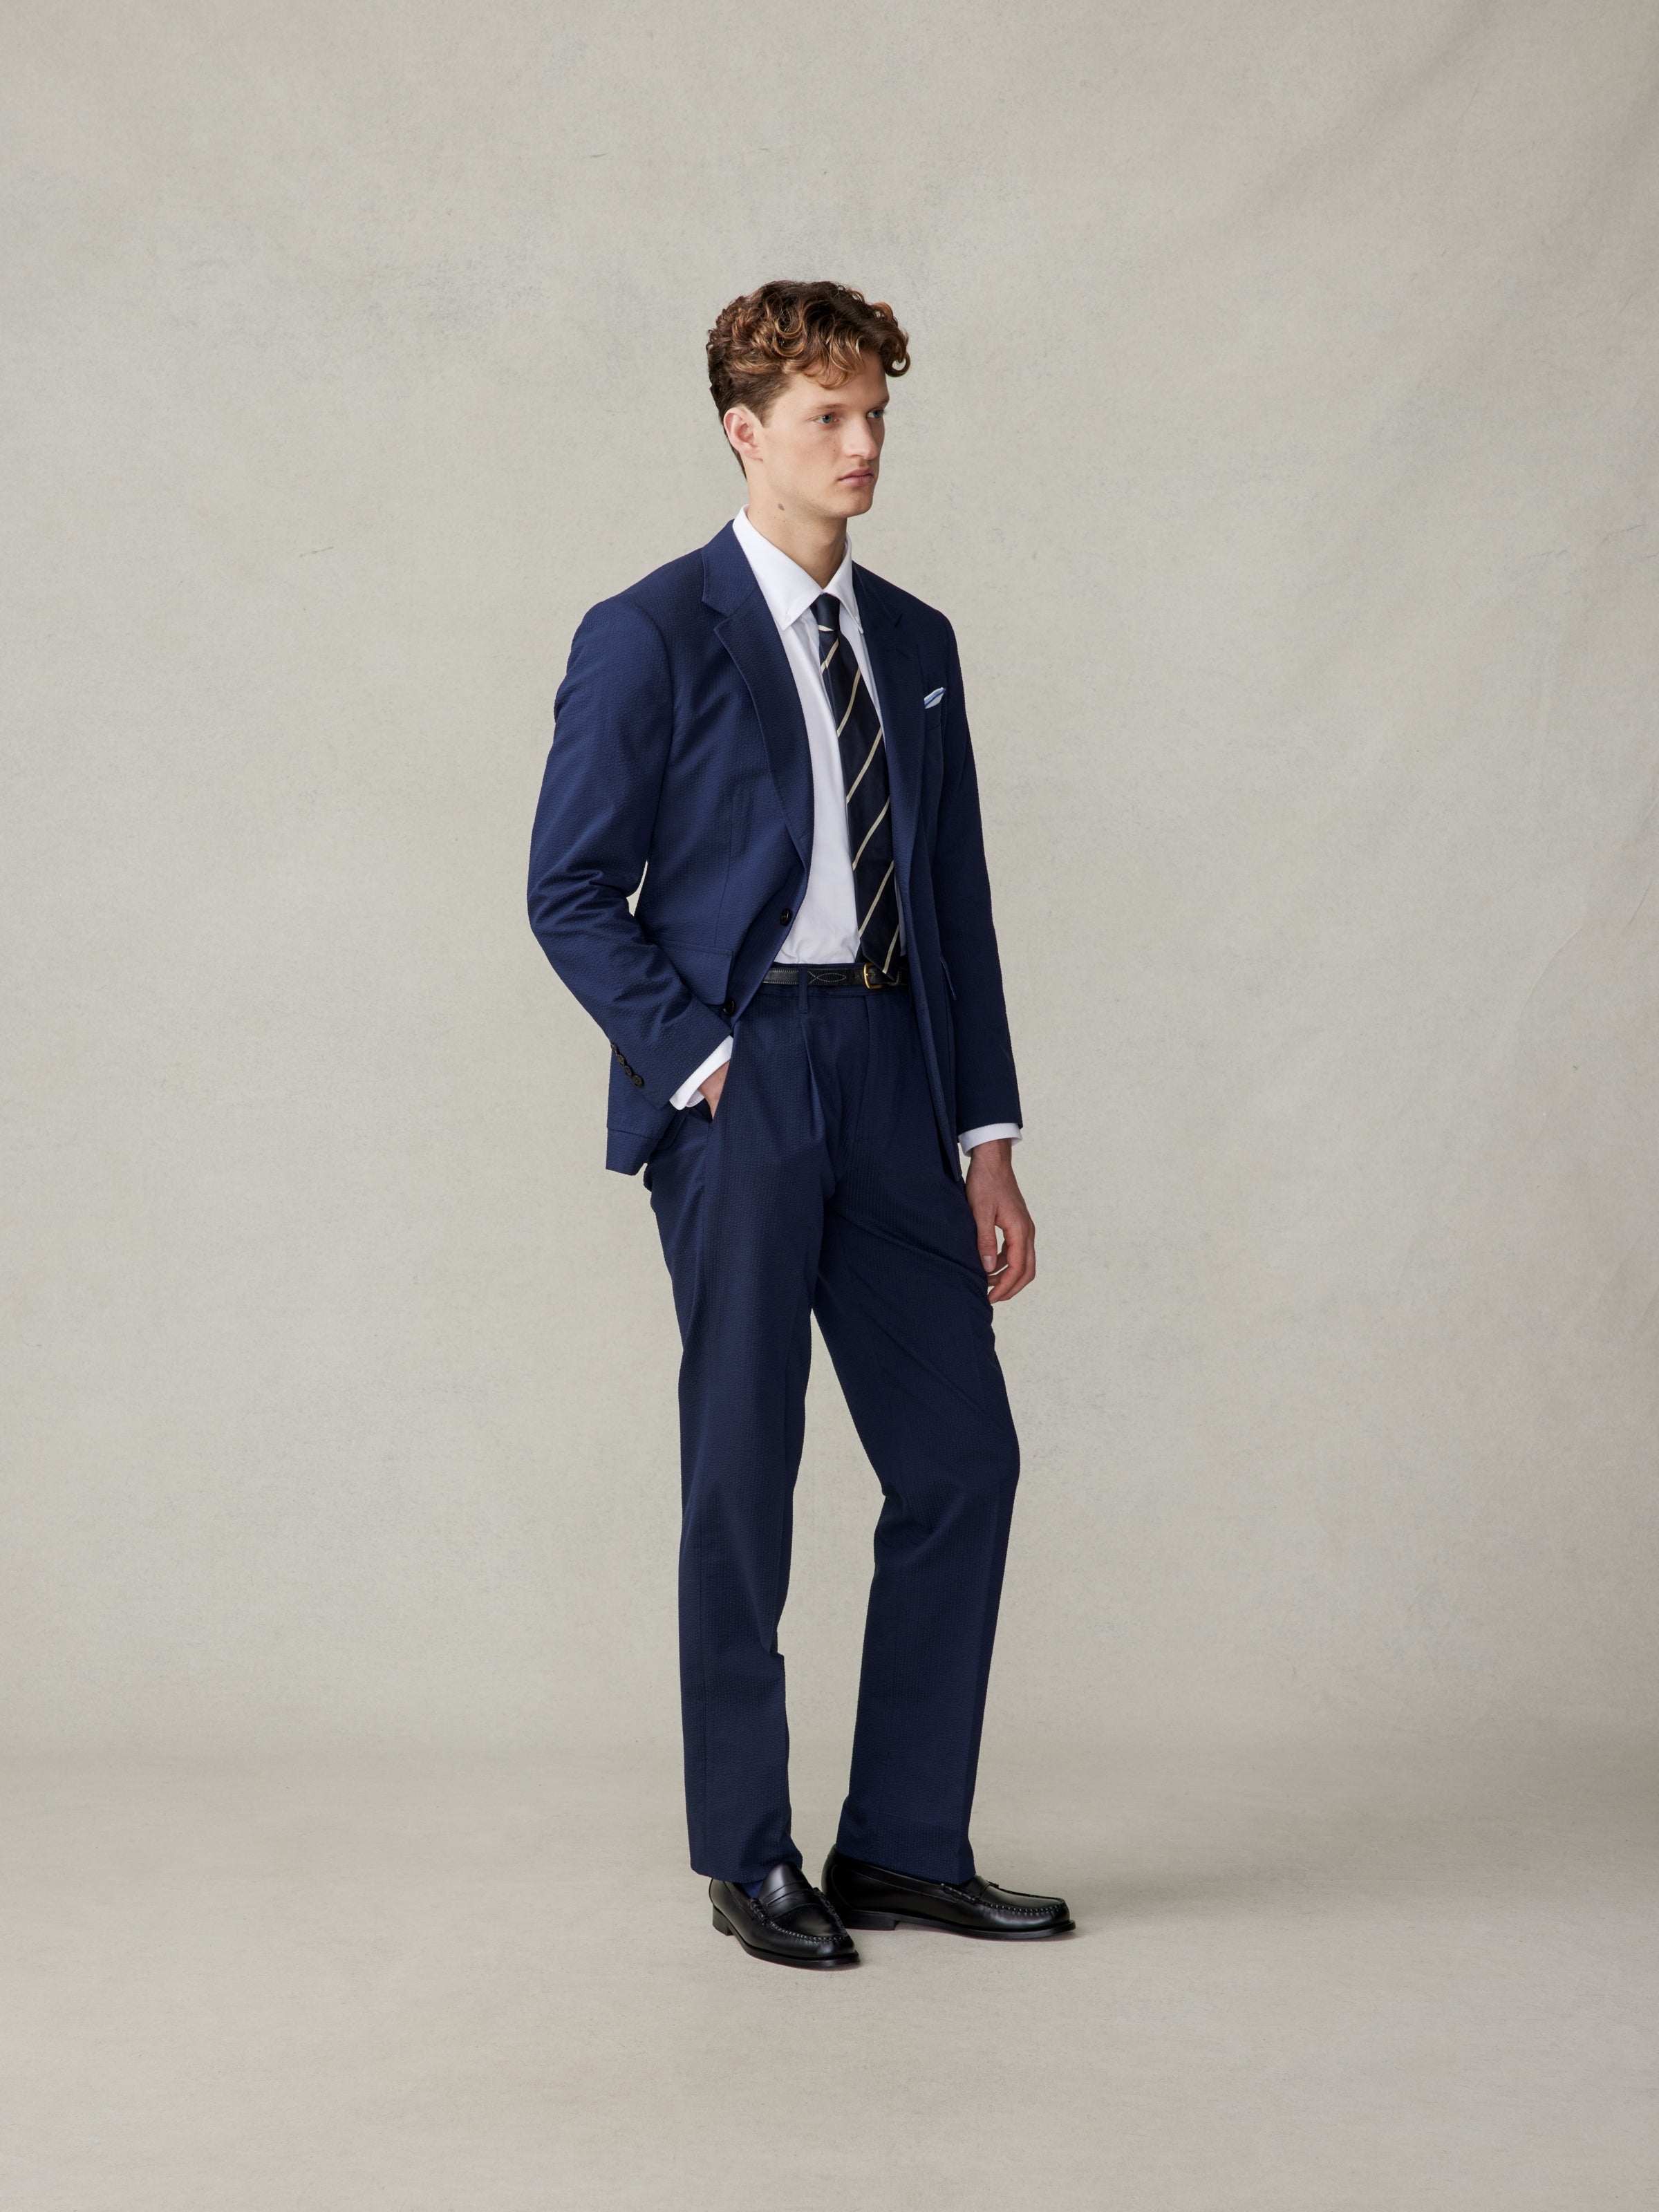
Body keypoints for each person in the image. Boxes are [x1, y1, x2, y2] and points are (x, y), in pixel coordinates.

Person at [527, 279, 1071, 1969]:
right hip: (745, 1076)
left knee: (963, 1459)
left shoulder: (917, 642)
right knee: (744, 1472)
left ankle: (902, 1843)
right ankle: (748, 1852)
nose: (863, 445)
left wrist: (987, 1138)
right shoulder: (651, 630)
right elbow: (568, 889)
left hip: (899, 1069)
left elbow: (959, 905)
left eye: (877, 415)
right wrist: (701, 1063)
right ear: (744, 431)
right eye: (829, 417)